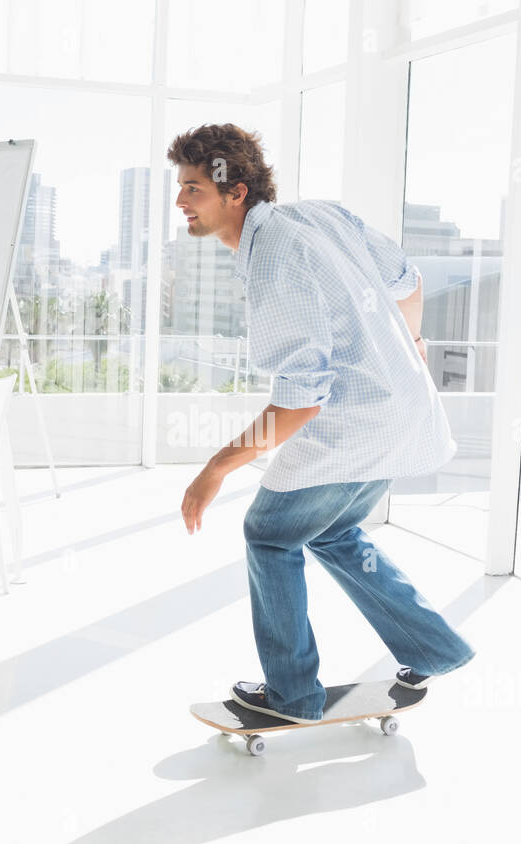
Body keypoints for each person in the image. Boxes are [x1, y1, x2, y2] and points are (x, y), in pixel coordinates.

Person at [174, 123, 475, 724]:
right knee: (333, 533)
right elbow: (406, 279)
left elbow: (301, 402)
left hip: (354, 427)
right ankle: (434, 647)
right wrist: (408, 343)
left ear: (236, 194)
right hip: (400, 414)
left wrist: (216, 468)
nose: (181, 203)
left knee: (270, 534)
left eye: (193, 189)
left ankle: (292, 697)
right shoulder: (320, 217)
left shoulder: (275, 259)